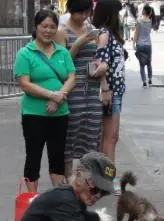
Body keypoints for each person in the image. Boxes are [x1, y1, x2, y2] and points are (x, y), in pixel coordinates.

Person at [14, 10, 76, 192]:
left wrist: (59, 97)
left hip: (60, 113)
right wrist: (51, 95)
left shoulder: (62, 52)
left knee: (57, 159)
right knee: (33, 157)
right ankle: (32, 200)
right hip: (34, 114)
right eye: (44, 26)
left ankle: (58, 200)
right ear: (36, 27)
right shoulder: (25, 53)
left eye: (52, 27)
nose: (48, 31)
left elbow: (72, 77)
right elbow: (25, 84)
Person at [55, 0, 104, 179]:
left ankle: (87, 180)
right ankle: (69, 180)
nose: (83, 16)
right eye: (79, 12)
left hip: (92, 89)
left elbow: (98, 55)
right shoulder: (61, 32)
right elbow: (61, 64)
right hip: (73, 90)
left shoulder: (91, 27)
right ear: (70, 10)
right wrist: (79, 43)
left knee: (92, 134)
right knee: (71, 135)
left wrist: (101, 69)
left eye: (87, 12)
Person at [91, 0, 126, 189]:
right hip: (110, 92)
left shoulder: (111, 34)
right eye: (118, 13)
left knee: (111, 136)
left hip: (116, 91)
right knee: (109, 137)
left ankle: (105, 177)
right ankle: (108, 179)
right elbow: (99, 64)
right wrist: (105, 88)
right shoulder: (105, 34)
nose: (120, 17)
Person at [134, 4, 153, 88]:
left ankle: (144, 82)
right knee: (149, 63)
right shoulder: (150, 21)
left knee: (142, 64)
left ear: (144, 11)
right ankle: (150, 79)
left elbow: (136, 33)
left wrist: (133, 43)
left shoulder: (139, 21)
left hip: (140, 44)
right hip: (148, 44)